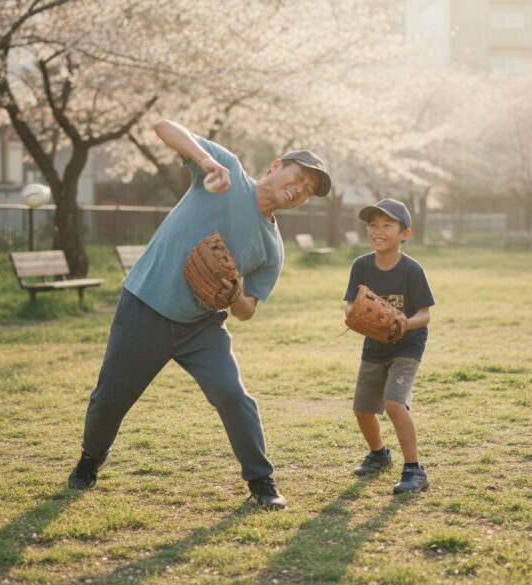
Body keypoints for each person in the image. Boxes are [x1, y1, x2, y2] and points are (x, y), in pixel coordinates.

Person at [68, 119, 332, 511]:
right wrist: (206, 161)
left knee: (233, 395)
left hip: (201, 326)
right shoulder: (227, 173)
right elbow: (164, 127)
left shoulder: (272, 249)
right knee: (110, 398)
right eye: (300, 177)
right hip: (146, 304)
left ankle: (261, 480)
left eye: (308, 190)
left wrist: (234, 294)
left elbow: (247, 311)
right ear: (276, 165)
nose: (300, 190)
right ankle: (91, 458)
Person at [344, 198, 435, 494]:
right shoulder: (361, 266)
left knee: (394, 403)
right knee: (362, 409)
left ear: (404, 233)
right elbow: (350, 305)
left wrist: (402, 323)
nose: (378, 231)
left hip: (407, 346)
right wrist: (355, 316)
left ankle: (414, 470)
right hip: (374, 347)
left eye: (387, 225)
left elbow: (425, 314)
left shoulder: (411, 270)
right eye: (373, 225)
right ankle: (379, 455)